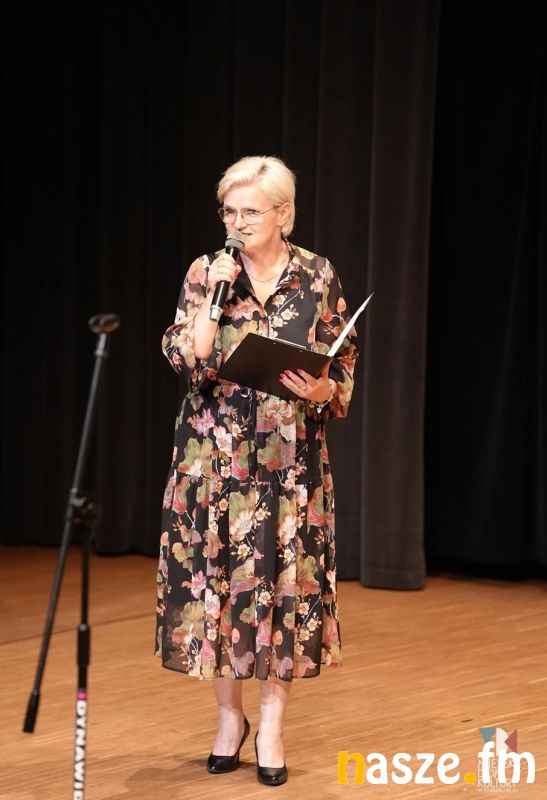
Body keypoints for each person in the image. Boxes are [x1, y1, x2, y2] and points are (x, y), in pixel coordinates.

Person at [155, 155, 358, 786]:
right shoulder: (206, 272)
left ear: (283, 214)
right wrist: (212, 306)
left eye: (251, 211)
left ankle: (271, 727)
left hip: (288, 462)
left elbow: (342, 359)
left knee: (282, 589)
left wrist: (324, 390)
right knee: (220, 588)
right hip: (214, 460)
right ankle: (228, 721)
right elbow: (187, 356)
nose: (237, 223)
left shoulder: (316, 274)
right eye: (229, 211)